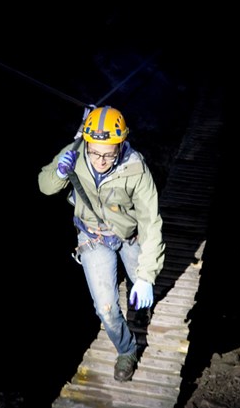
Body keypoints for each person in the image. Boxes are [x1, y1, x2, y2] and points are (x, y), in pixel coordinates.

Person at [38, 105, 165, 382]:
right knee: (105, 309)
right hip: (93, 238)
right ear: (86, 141)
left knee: (141, 283)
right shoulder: (74, 154)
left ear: (121, 144)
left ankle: (142, 312)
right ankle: (127, 350)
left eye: (109, 153)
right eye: (94, 152)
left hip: (130, 235)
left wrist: (146, 276)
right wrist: (60, 175)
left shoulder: (136, 169)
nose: (100, 160)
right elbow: (45, 186)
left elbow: (151, 223)